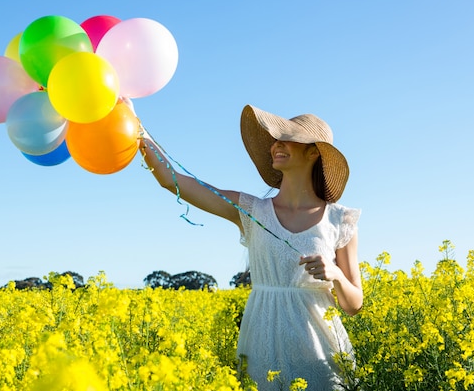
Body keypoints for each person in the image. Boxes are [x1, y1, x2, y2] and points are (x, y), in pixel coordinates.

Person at [139, 104, 363, 390]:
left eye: (287, 138)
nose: (275, 145)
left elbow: (354, 305)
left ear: (313, 152)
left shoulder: (340, 220)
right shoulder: (250, 209)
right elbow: (172, 180)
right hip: (262, 342)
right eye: (274, 139)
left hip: (320, 351)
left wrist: (336, 274)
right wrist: (137, 131)